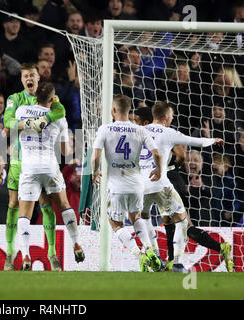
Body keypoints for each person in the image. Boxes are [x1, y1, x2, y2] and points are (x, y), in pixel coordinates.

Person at [137, 101, 233, 272]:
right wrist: (214, 139)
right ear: (166, 116)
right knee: (182, 224)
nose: (173, 117)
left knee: (148, 220)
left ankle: (157, 257)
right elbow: (193, 142)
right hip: (164, 183)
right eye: (172, 115)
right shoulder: (168, 132)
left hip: (140, 185)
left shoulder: (139, 132)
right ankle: (178, 262)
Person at [2, 62, 69, 271]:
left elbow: (61, 112)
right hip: (18, 160)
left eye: (32, 75)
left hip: (41, 161)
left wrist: (46, 117)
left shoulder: (51, 99)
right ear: (22, 80)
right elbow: (7, 121)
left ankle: (52, 254)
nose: (29, 79)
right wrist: (29, 124)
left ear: (38, 78)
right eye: (25, 76)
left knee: (46, 204)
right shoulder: (15, 99)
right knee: (14, 204)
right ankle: (11, 252)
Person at [91, 94, 163, 272]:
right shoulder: (141, 130)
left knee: (116, 224)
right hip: (137, 184)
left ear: (113, 110)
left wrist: (95, 172)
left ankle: (140, 256)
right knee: (136, 217)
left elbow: (95, 156)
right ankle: (149, 248)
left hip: (117, 185)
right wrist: (159, 170)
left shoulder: (105, 129)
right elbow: (158, 154)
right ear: (129, 111)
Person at [15, 82, 81, 271]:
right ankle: (76, 243)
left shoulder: (21, 111)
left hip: (29, 168)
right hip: (50, 167)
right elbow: (65, 151)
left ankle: (26, 254)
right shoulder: (59, 118)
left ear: (35, 95)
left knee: (25, 214)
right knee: (64, 205)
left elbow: (13, 125)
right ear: (53, 99)